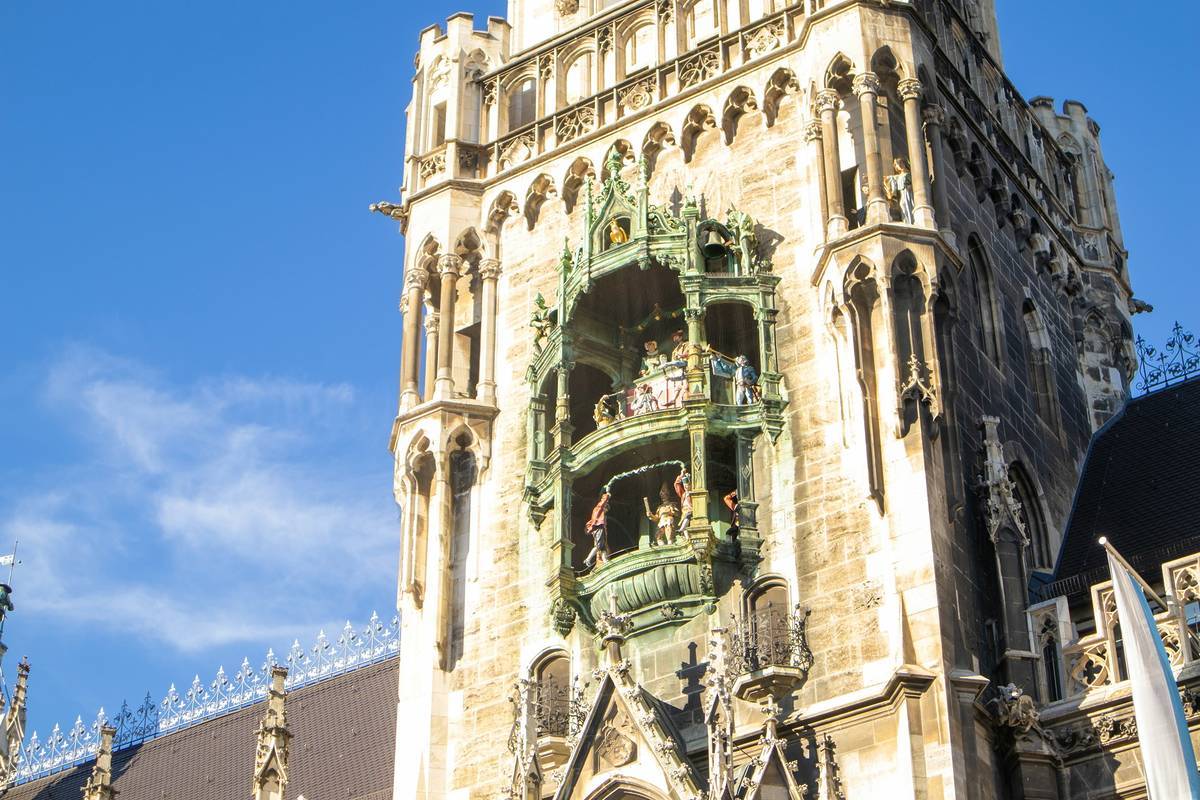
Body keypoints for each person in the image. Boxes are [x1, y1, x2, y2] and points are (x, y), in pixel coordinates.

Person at [583, 492, 611, 569]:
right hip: (599, 528)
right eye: (606, 509)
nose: (605, 511)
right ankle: (588, 559)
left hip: (601, 528)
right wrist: (607, 496)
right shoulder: (599, 509)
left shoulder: (601, 514)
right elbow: (602, 503)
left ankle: (605, 560)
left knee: (603, 547)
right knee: (598, 546)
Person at [885, 157, 915, 224]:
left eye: (900, 163)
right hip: (902, 195)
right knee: (903, 205)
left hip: (908, 194)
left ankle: (911, 222)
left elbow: (915, 183)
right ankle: (907, 222)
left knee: (909, 205)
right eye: (897, 165)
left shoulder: (909, 174)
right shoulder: (898, 177)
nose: (899, 166)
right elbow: (890, 179)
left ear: (904, 163)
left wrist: (911, 185)